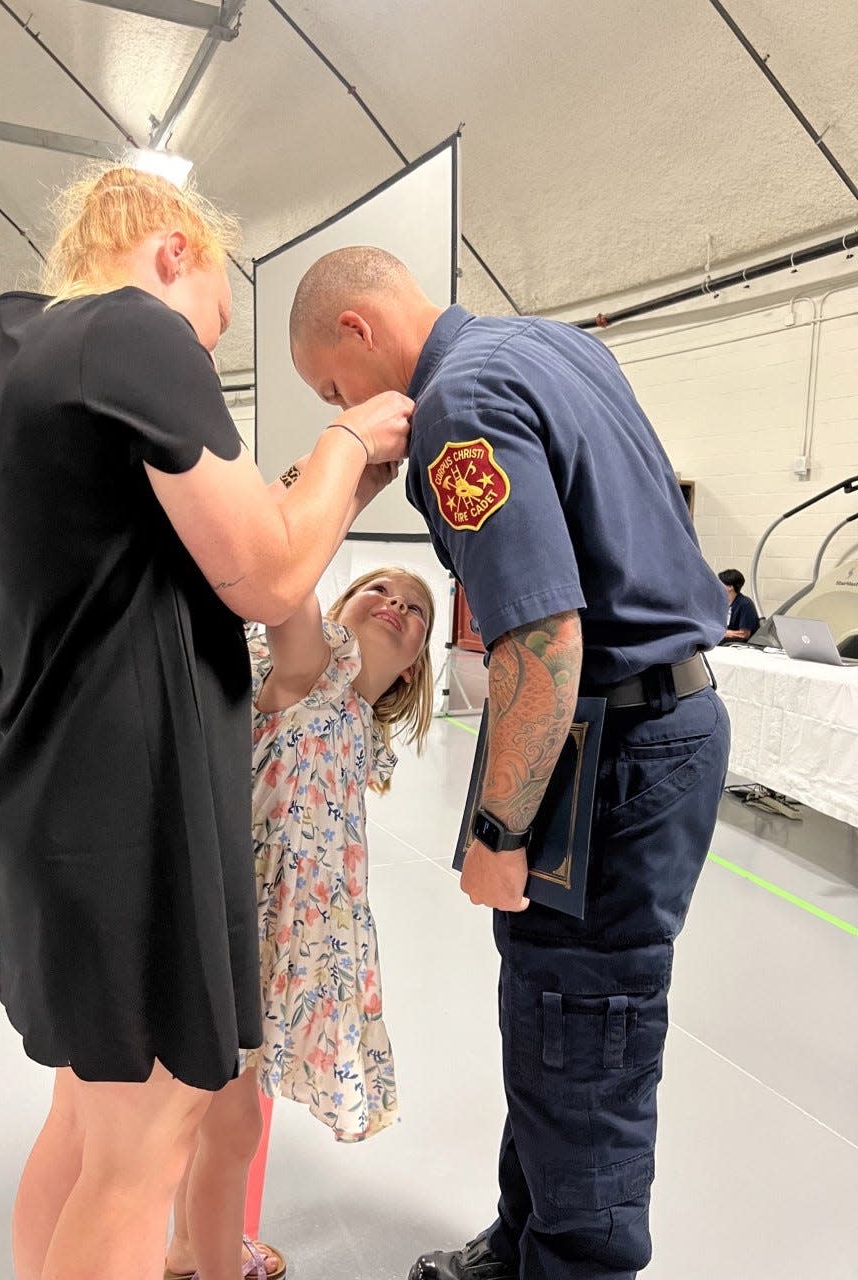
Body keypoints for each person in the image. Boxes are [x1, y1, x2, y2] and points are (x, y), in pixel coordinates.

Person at [0, 171, 412, 1280]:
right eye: (215, 319)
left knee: (88, 1127)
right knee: (142, 1159)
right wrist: (351, 443)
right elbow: (263, 570)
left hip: (55, 783)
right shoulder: (133, 334)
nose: (206, 350)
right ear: (173, 251)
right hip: (129, 806)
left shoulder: (24, 352)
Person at [289, 247, 731, 1280]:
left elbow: (542, 638)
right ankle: (520, 1237)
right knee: (548, 1009)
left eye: (332, 389)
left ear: (358, 330)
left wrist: (498, 830)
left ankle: (571, 1256)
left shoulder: (460, 401)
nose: (344, 409)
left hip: (608, 739)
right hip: (647, 718)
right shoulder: (552, 346)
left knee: (584, 1034)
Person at [166, 564, 435, 1279]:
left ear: (413, 670)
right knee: (231, 1128)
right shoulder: (314, 672)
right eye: (378, 589)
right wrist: (344, 471)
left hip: (288, 938)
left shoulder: (357, 720)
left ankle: (188, 1247)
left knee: (216, 1113)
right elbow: (286, 593)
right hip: (245, 929)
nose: (395, 604)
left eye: (414, 610)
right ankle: (215, 1266)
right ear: (340, 612)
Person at [718, 568, 759, 642]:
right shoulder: (722, 603)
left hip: (738, 646)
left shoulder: (745, 604)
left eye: (720, 584)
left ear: (730, 587)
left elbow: (744, 634)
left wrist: (722, 633)